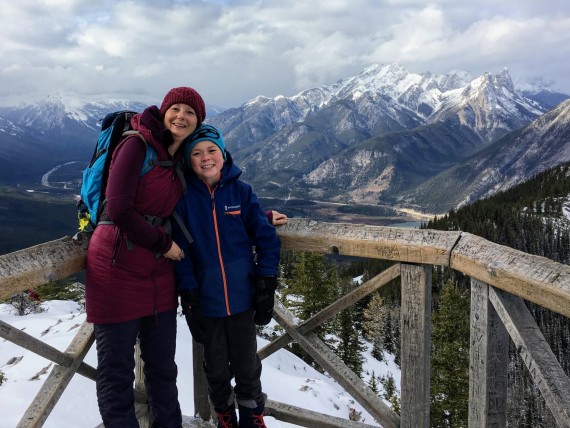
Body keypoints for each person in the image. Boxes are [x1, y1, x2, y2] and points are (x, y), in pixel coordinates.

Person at [85, 86, 207, 427]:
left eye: (190, 112)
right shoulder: (135, 144)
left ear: (198, 121)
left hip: (157, 272)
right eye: (176, 109)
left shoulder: (181, 156)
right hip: (115, 265)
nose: (182, 116)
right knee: (116, 371)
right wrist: (163, 244)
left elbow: (213, 188)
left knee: (162, 367)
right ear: (164, 111)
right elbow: (119, 208)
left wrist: (261, 214)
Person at [173, 124, 281, 428]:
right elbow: (180, 252)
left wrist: (267, 281)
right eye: (196, 153)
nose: (205, 157)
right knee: (216, 367)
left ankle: (251, 416)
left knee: (248, 365)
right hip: (206, 302)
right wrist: (189, 291)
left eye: (211, 150)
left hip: (243, 298)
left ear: (223, 153)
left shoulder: (241, 192)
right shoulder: (183, 200)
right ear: (188, 160)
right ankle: (224, 416)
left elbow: (266, 238)